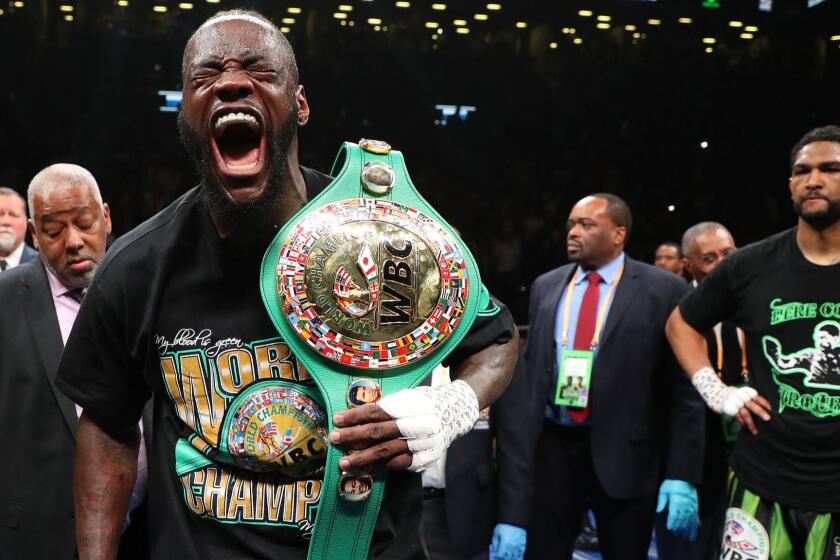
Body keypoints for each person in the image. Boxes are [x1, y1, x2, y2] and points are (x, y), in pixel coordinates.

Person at [55, 9, 517, 559]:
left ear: (299, 105)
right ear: (186, 116)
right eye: (205, 77)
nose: (230, 83)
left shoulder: (382, 233)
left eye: (259, 70)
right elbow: (106, 431)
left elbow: (497, 338)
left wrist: (453, 408)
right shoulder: (136, 268)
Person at [666, 125, 840, 558]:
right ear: (790, 185)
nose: (813, 179)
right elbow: (680, 324)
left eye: (830, 168)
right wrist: (715, 390)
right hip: (763, 478)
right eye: (802, 171)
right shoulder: (750, 266)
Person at [515, 193, 705, 559]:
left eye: (587, 225)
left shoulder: (663, 290)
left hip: (628, 455)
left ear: (618, 234)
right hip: (554, 450)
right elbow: (532, 372)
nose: (573, 232)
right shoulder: (546, 285)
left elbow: (683, 390)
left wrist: (681, 471)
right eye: (571, 223)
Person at [0, 164, 124, 558]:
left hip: (145, 534)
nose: (73, 241)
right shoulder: (4, 302)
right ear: (35, 234)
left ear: (105, 217)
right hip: (34, 540)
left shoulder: (144, 285)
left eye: (85, 223)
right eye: (53, 232)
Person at [655, 222, 741, 560]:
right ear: (687, 265)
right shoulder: (673, 311)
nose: (723, 263)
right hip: (695, 456)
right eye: (709, 258)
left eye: (728, 254)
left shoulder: (758, 302)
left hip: (750, 455)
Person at [420, 360, 530, 560]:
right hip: (399, 508)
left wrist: (512, 518)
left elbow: (514, 447)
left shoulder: (495, 350)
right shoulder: (401, 349)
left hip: (467, 511)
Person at [0, 186, 37, 270]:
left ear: (26, 222)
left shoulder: (44, 267)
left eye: (13, 215)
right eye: (0, 214)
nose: (6, 222)